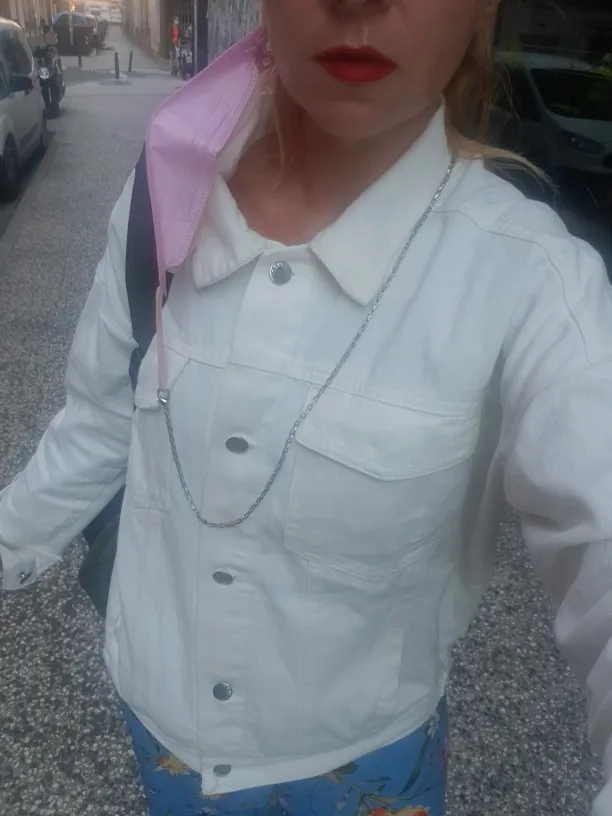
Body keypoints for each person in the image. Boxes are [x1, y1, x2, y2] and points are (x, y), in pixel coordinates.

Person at [1, 1, 612, 815]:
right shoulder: (168, 192)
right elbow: (99, 421)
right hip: (160, 736)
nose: (359, 0)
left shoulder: (533, 280)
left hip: (361, 770)